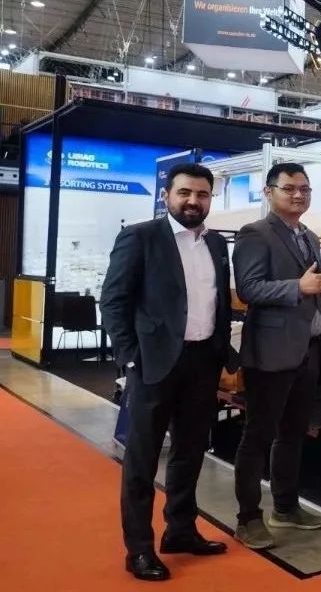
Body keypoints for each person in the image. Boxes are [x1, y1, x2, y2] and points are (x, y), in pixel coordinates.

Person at [101, 163, 232, 581]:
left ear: (210, 199)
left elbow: (217, 302)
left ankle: (181, 530)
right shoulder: (140, 237)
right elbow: (114, 301)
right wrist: (130, 359)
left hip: (202, 363)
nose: (193, 201)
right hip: (153, 364)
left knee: (190, 452)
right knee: (142, 459)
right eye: (185, 193)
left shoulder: (216, 243)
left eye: (202, 194)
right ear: (167, 196)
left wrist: (222, 352)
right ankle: (139, 549)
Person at [232, 162, 321, 549]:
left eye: (304, 189)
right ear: (269, 192)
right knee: (258, 435)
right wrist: (297, 287)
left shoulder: (308, 235)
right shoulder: (255, 233)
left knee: (293, 434)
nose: (298, 195)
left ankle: (285, 507)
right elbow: (249, 288)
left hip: (307, 350)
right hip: (271, 352)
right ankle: (248, 518)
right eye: (289, 188)